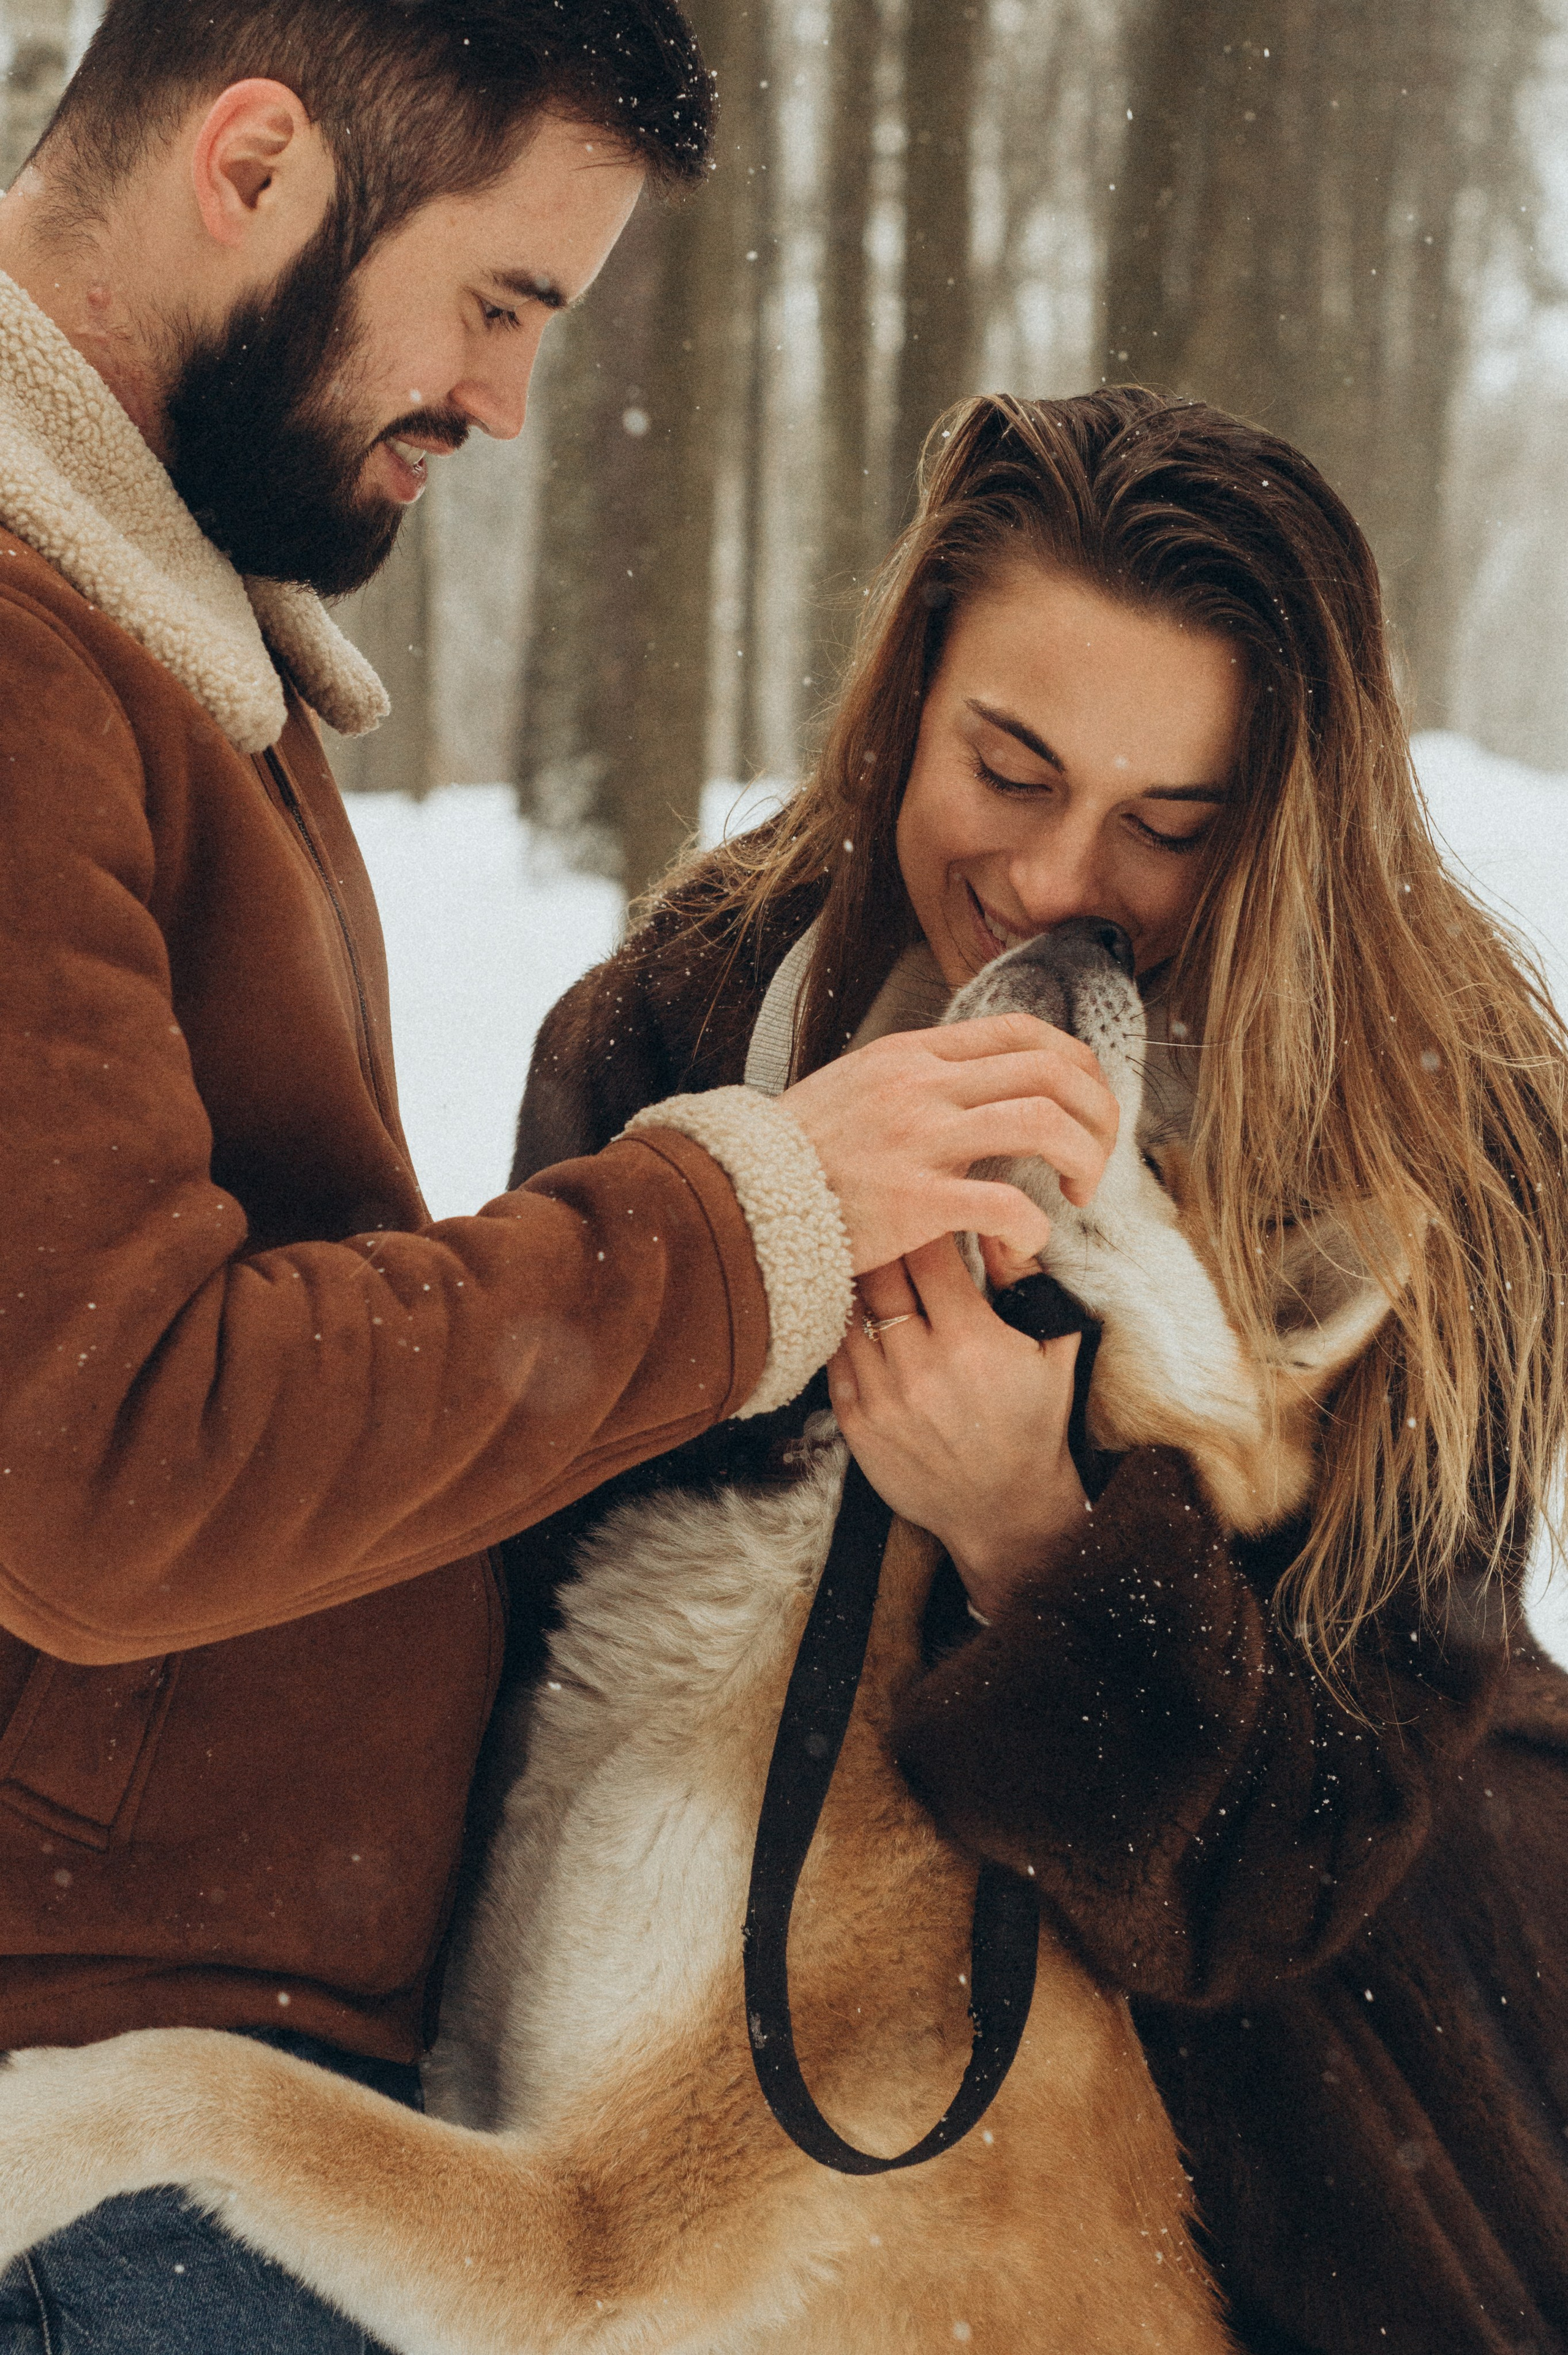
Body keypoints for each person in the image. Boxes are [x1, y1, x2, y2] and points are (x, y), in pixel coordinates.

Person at [0, 9, 1106, 2346]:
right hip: (100, 2124)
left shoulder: (158, 651)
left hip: (220, 2087)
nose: (505, 400)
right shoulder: (24, 668)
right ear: (256, 162)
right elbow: (107, 1458)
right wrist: (747, 1219)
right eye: (501, 300)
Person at [511, 388, 1568, 2355]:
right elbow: (525, 1563)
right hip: (780, 2068)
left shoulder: (1460, 1147)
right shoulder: (697, 1006)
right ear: (907, 699)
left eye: (1171, 828)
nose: (1059, 878)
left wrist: (1034, 1538)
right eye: (1007, 767)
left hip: (1331, 2063)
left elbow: (1280, 1873)